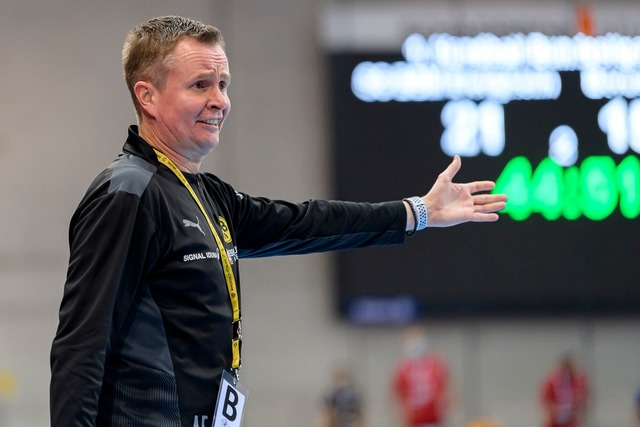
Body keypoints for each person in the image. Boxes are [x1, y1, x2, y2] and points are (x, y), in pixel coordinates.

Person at [49, 15, 507, 427]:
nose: (220, 101)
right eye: (200, 85)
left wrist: (418, 211)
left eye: (224, 84)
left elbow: (305, 223)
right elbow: (81, 344)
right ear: (146, 96)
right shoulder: (128, 194)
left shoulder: (205, 195)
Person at [391, 326, 452, 427]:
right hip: (413, 420)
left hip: (434, 418)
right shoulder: (402, 369)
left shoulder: (435, 364)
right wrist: (401, 414)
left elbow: (447, 385)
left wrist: (446, 405)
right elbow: (396, 394)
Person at [539, 353, 589, 427]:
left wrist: (582, 412)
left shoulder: (578, 381)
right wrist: (553, 411)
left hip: (571, 420)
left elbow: (584, 399)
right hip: (555, 420)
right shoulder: (552, 381)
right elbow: (545, 400)